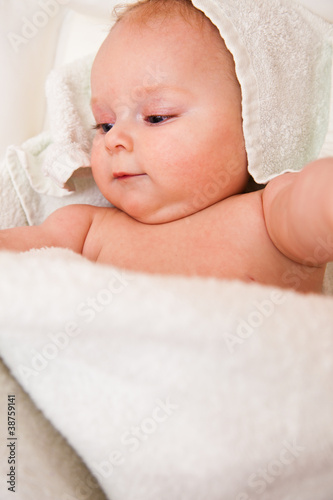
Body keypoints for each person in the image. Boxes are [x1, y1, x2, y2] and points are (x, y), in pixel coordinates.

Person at [0, 0, 332, 293]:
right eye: (105, 125)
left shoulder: (270, 218)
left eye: (157, 117)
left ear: (254, 123)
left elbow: (317, 201)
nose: (114, 139)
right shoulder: (85, 229)